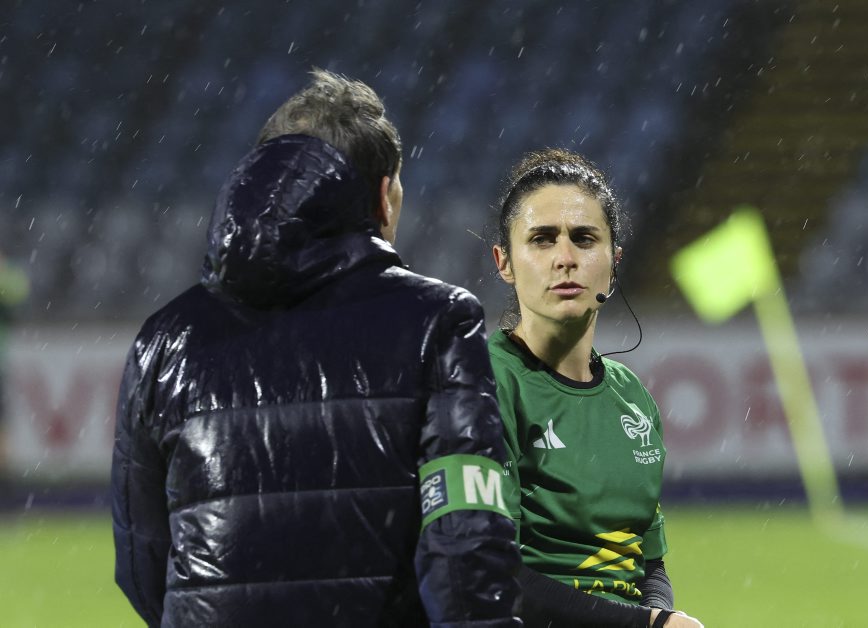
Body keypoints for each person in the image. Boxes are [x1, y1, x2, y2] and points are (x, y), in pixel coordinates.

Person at [111, 67, 521, 627]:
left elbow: (142, 562)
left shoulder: (164, 340)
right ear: (383, 197)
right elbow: (466, 544)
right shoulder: (438, 321)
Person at [488, 149, 703, 628]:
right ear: (505, 262)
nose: (565, 258)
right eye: (542, 239)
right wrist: (646, 625)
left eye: (584, 239)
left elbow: (648, 561)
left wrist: (660, 616)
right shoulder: (485, 384)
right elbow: (491, 570)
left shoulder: (633, 399)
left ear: (614, 260)